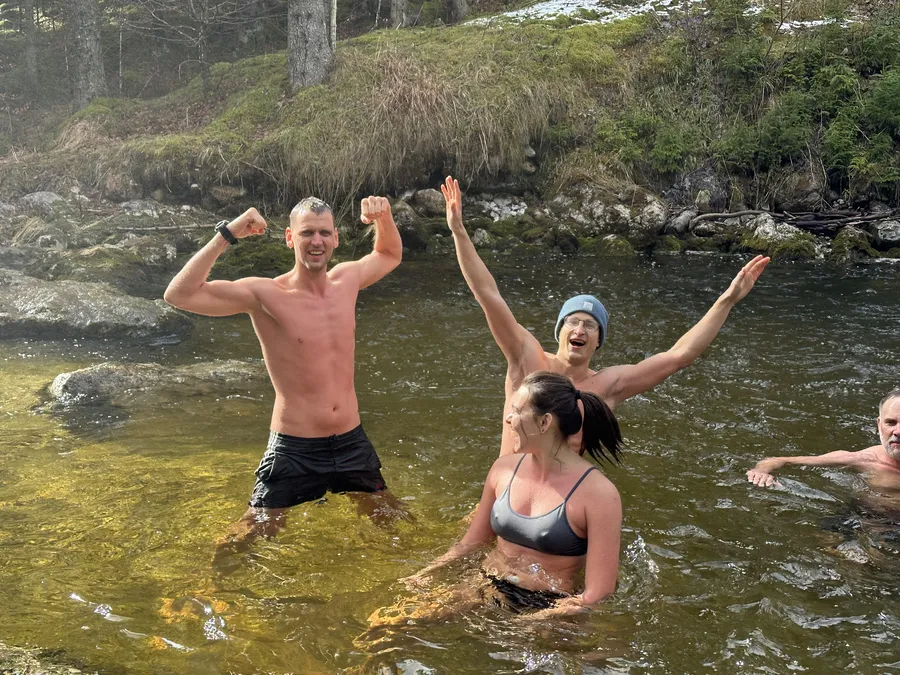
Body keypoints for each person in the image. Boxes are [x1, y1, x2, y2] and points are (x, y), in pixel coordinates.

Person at [440, 176, 770, 456]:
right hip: (508, 491)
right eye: (572, 321)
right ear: (559, 331)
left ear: (598, 341)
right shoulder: (527, 359)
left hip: (563, 503)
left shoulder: (608, 386)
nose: (580, 328)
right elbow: (488, 295)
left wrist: (727, 300)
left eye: (590, 325)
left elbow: (679, 356)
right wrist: (459, 231)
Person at [163, 196, 404, 548]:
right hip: (295, 448)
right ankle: (211, 592)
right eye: (307, 233)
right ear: (290, 238)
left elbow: (388, 254)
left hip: (350, 440)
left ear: (336, 237)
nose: (316, 241)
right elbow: (179, 295)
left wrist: (383, 217)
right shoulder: (265, 294)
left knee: (393, 522)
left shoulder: (347, 280)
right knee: (253, 536)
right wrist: (228, 234)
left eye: (324, 233)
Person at [391, 371, 623, 620]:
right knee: (389, 625)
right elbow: (472, 542)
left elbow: (598, 594)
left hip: (552, 608)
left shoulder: (599, 495)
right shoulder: (503, 469)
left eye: (517, 411)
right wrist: (427, 573)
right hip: (485, 586)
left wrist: (528, 622)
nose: (508, 419)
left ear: (544, 423)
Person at [747, 389, 900, 491]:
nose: (898, 432)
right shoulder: (864, 460)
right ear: (879, 425)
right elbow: (778, 460)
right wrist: (761, 472)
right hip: (866, 518)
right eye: (891, 423)